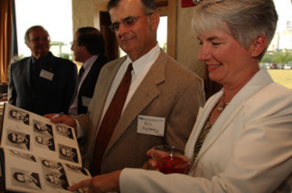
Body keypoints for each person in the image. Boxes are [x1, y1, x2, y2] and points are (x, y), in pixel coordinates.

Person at [68, 0, 292, 192]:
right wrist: (178, 163)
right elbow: (201, 167)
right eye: (201, 42)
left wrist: (123, 178)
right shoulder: (217, 99)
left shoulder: (280, 106)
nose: (202, 55)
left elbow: (229, 189)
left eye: (214, 42)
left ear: (257, 45)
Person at [46, 0, 205, 176]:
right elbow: (96, 119)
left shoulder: (185, 84)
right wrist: (76, 124)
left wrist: (122, 181)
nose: (121, 32)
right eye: (116, 25)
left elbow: (176, 160)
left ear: (154, 21)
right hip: (87, 179)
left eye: (129, 21)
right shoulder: (107, 70)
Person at [8, 25, 78, 116]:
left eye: (45, 38)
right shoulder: (16, 67)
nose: (42, 42)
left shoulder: (66, 67)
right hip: (22, 123)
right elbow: (12, 100)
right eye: (36, 39)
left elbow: (71, 101)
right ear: (27, 44)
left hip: (53, 123)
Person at [68, 27, 110, 116]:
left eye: (74, 43)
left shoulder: (105, 69)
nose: (72, 48)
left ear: (83, 46)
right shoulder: (84, 68)